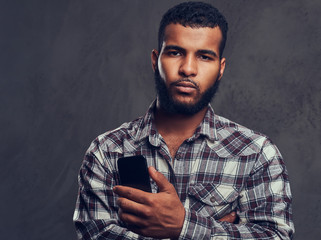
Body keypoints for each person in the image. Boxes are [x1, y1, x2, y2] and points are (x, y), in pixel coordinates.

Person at [73, 1, 294, 239]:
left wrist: (183, 226)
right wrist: (212, 230)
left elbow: (275, 236)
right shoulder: (106, 151)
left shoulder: (257, 154)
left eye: (204, 56)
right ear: (155, 60)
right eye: (175, 52)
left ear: (221, 69)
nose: (188, 69)